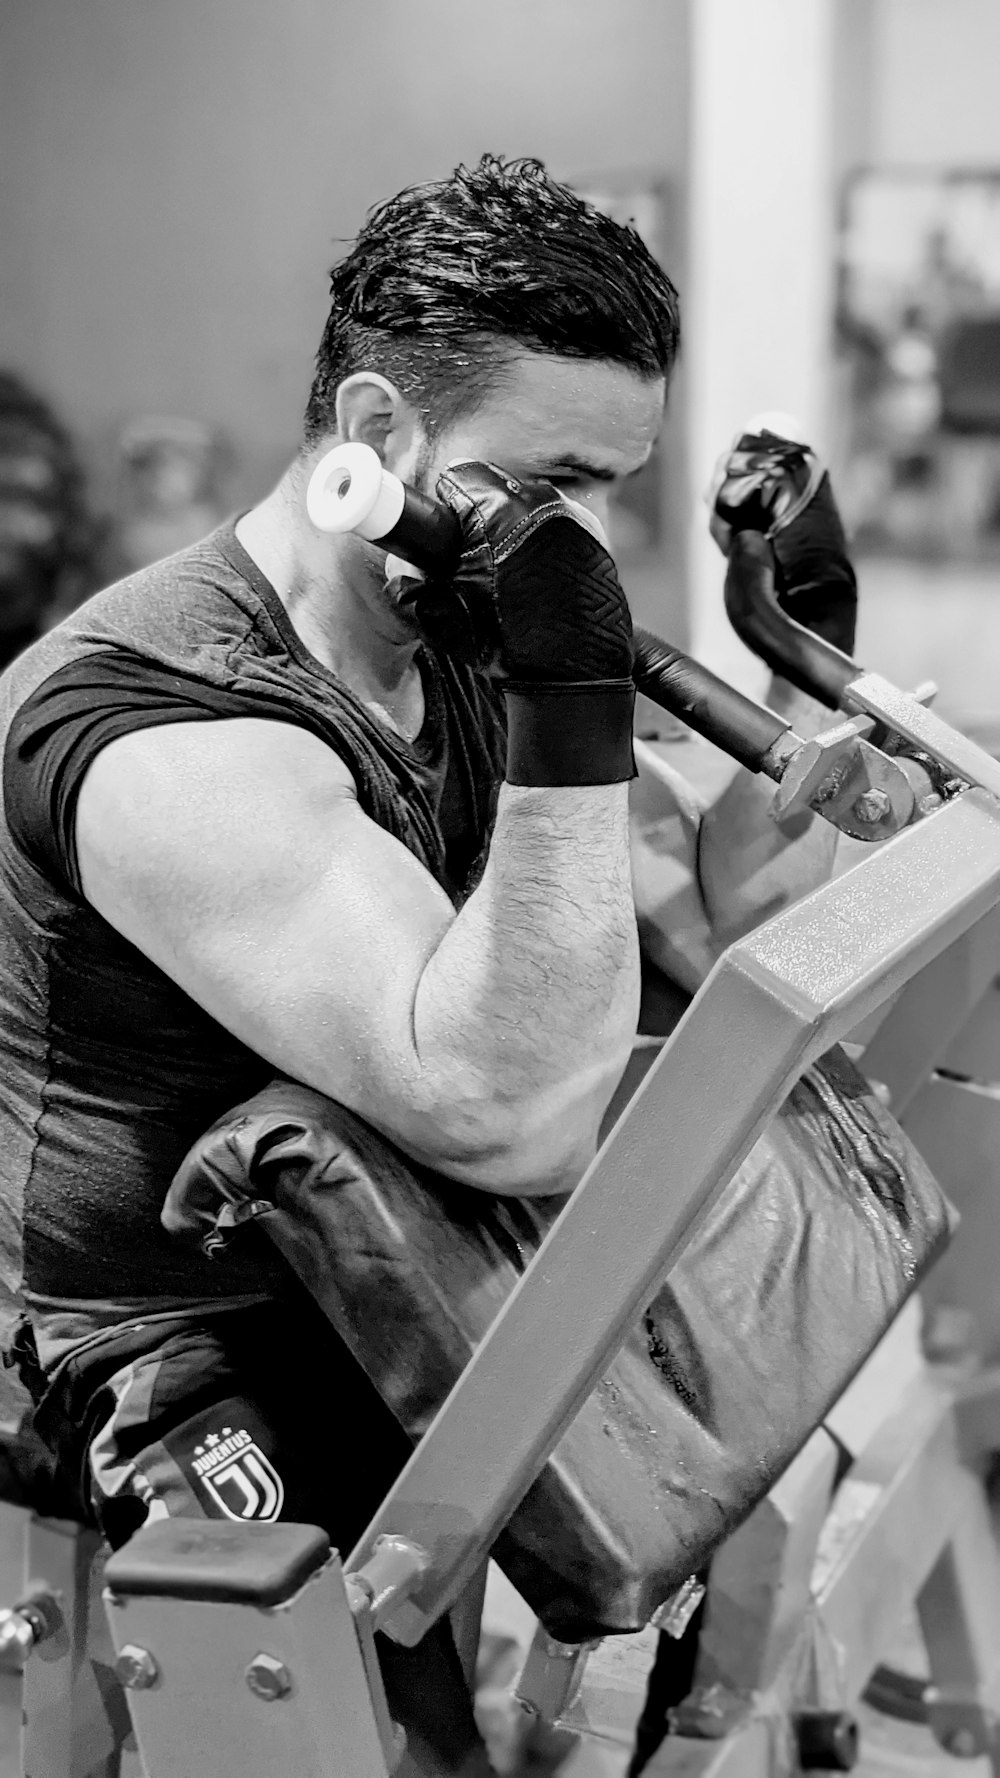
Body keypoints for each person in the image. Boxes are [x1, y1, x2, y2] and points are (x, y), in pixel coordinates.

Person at [0, 157, 856, 1775]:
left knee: (754, 1473)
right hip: (166, 1340)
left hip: (398, 1269)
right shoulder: (162, 724)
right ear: (380, 440)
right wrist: (576, 691)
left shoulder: (438, 637)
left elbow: (674, 899)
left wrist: (805, 666)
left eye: (620, 484)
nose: (590, 540)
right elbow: (507, 1106)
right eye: (556, 480)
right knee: (383, 1751)